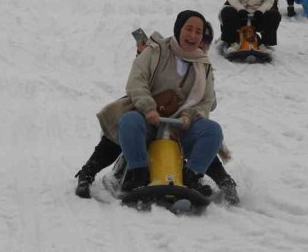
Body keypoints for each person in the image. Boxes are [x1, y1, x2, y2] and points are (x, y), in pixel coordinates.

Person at [74, 22, 239, 204]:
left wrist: (190, 114)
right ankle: (90, 172)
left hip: (179, 125)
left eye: (202, 40)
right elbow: (142, 78)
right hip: (148, 115)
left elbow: (208, 102)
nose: (196, 42)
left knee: (206, 139)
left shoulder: (203, 68)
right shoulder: (162, 52)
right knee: (123, 129)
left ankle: (206, 179)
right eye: (191, 33)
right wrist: (148, 106)